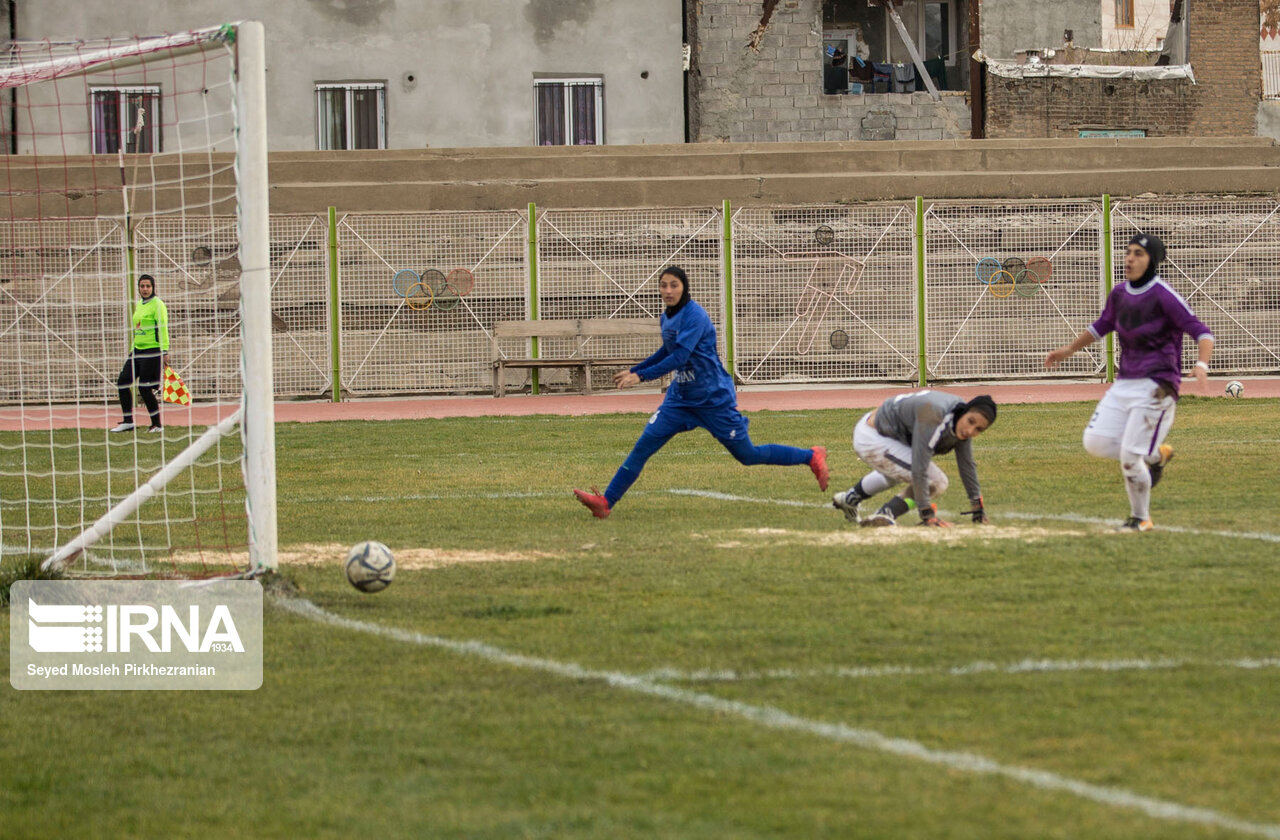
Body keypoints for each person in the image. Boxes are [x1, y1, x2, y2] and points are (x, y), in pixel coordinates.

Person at [573, 266, 829, 519]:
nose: (668, 290)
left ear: (684, 287)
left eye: (674, 285)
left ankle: (811, 456)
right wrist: (636, 369)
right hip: (680, 399)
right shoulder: (667, 316)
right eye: (663, 285)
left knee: (748, 455)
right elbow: (666, 351)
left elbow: (680, 356)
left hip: (712, 398)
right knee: (644, 446)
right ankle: (606, 502)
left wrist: (640, 376)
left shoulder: (694, 315)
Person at [1044, 233, 1214, 531]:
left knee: (1129, 459)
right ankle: (1156, 454)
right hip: (1125, 384)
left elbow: (1202, 332)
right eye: (1128, 252)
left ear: (1153, 261)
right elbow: (1101, 326)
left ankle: (1141, 518)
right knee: (1094, 441)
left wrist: (1201, 364)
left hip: (1157, 386)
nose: (1130, 258)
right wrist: (1069, 349)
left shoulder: (1163, 295)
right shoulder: (1120, 294)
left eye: (1138, 254)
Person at [832, 391, 997, 527]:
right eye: (971, 421)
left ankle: (849, 499)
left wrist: (977, 505)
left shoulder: (958, 415)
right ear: (965, 411)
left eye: (978, 429)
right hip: (872, 437)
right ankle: (885, 514)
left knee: (893, 475)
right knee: (935, 481)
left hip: (884, 433)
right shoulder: (936, 415)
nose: (970, 430)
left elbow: (966, 464)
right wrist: (926, 512)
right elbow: (919, 467)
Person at [110, 273, 169, 433]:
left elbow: (163, 328)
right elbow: (138, 328)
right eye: (142, 286)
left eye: (148, 286)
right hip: (137, 351)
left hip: (152, 351)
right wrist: (133, 348)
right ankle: (128, 421)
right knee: (123, 381)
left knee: (144, 388)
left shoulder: (158, 304)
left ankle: (156, 424)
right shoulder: (139, 304)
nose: (145, 289)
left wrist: (165, 351)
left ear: (153, 287)